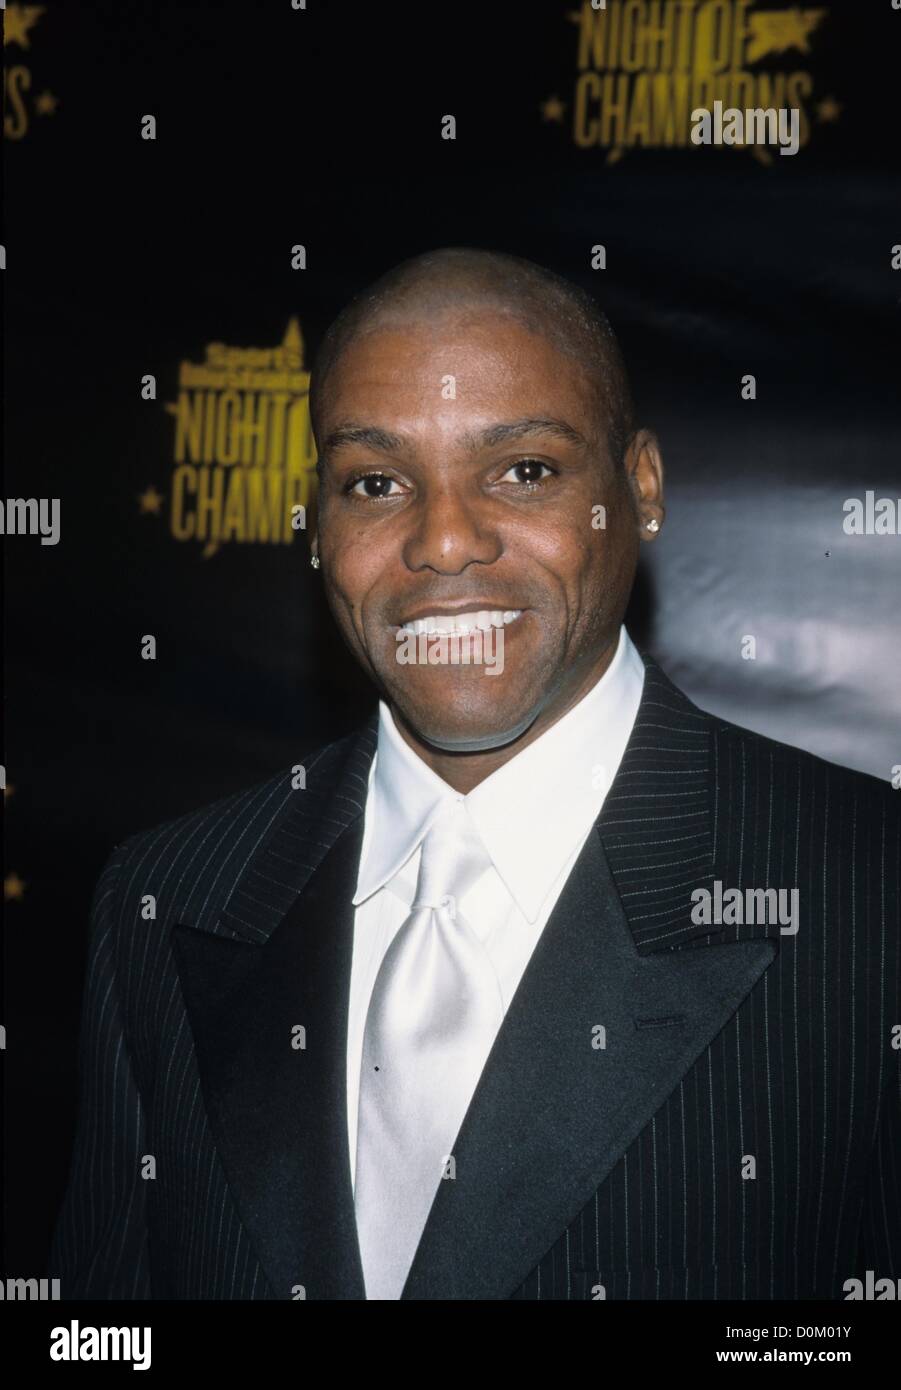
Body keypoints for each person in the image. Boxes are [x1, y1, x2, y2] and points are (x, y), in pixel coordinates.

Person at [49, 248, 900, 1300]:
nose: (442, 541)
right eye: (375, 482)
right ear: (318, 525)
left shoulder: (867, 892)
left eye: (524, 470)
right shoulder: (168, 898)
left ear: (638, 490)